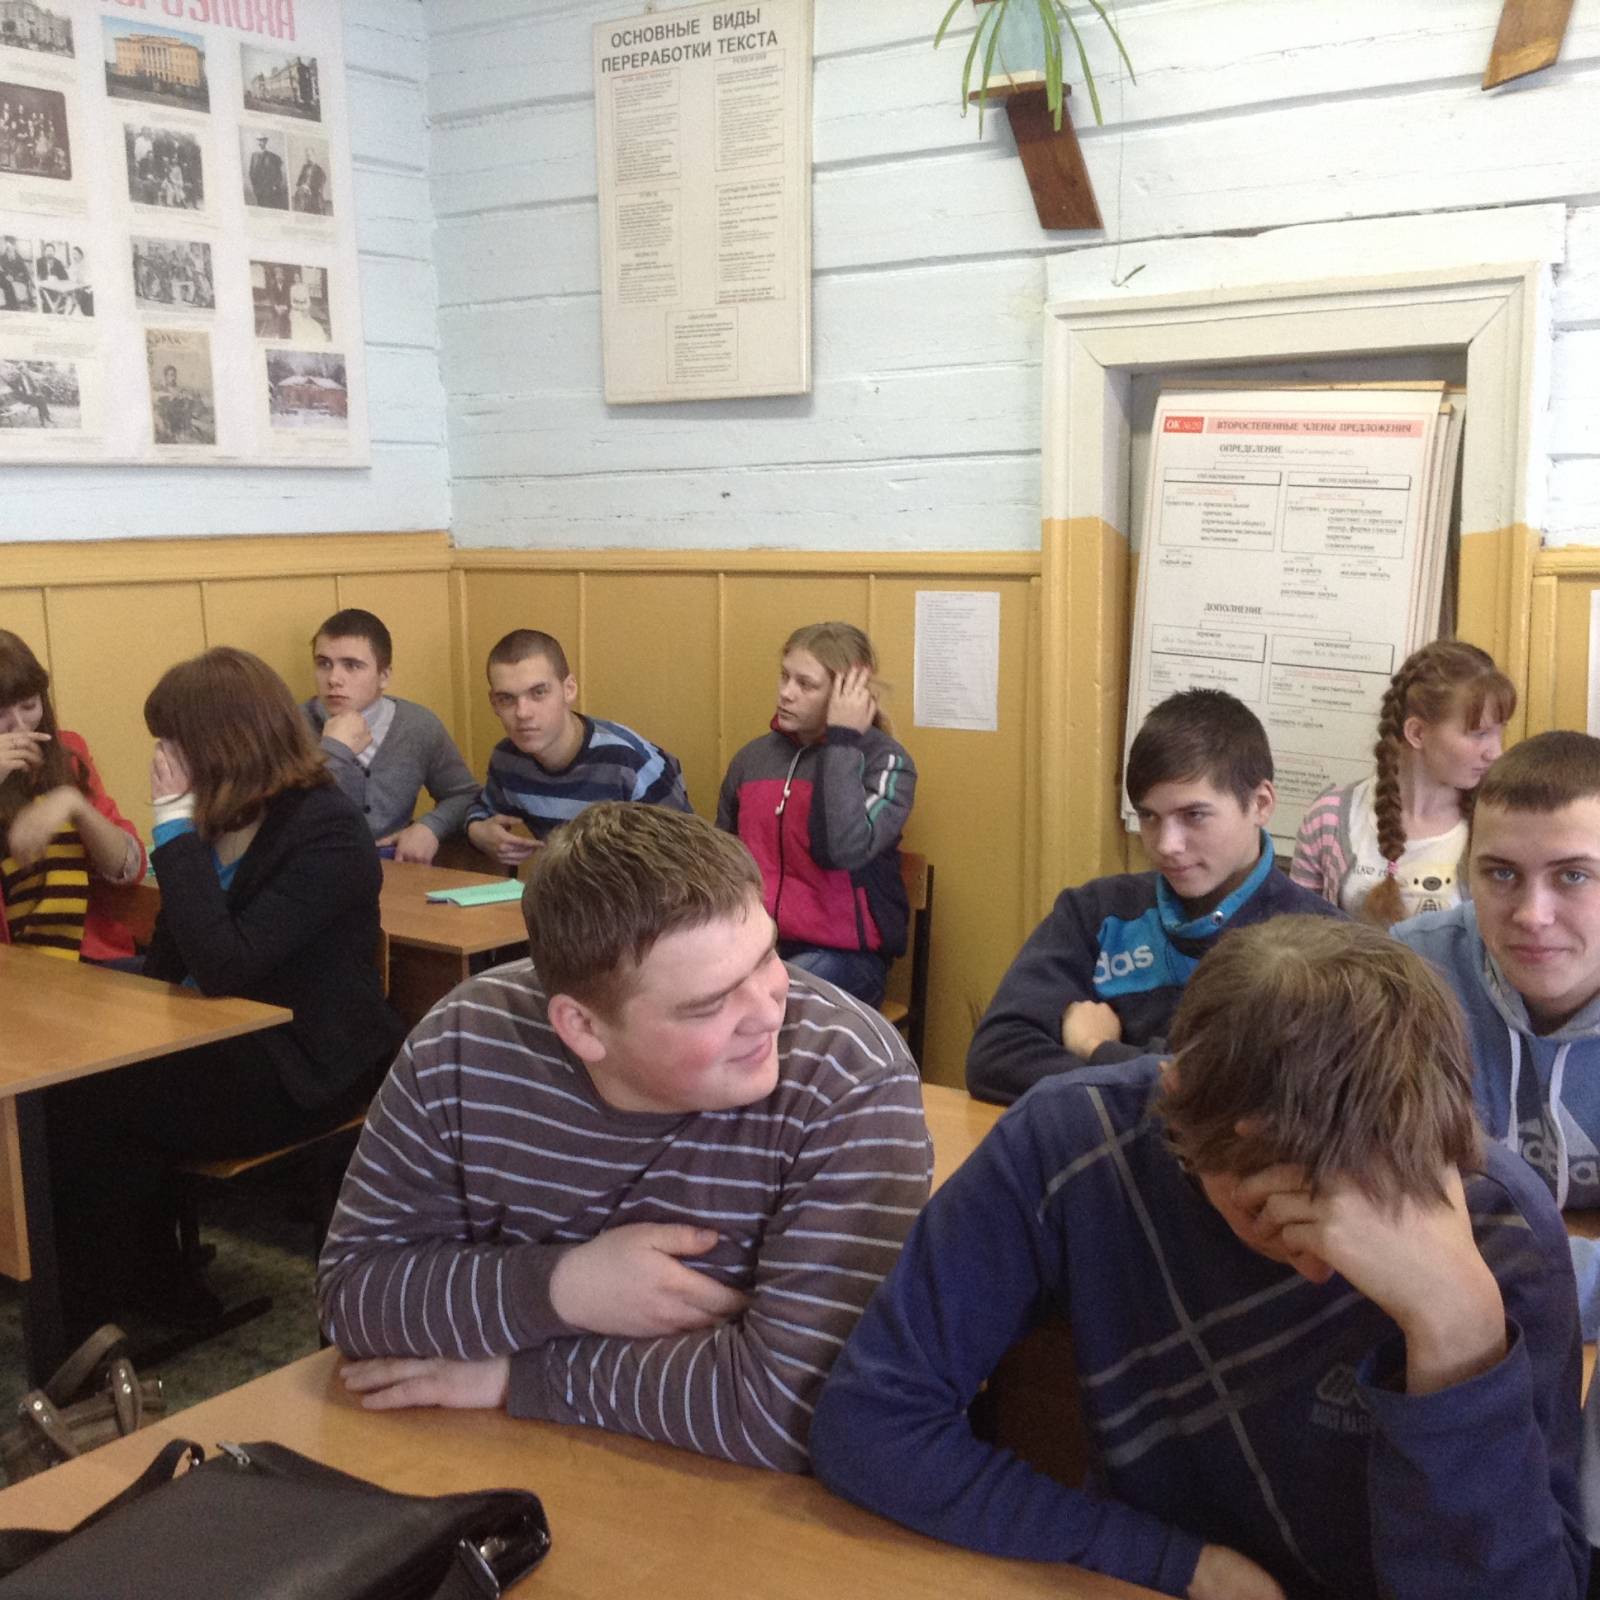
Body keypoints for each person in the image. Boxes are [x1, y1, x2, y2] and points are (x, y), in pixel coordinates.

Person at [810, 916, 1587, 1600]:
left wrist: (1456, 1330)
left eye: (1367, 1222)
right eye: (1270, 1213)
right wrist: (1172, 1563)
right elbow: (871, 1423)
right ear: (1178, 1102)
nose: (1321, 1268)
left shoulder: (1501, 1225)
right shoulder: (1073, 1141)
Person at [317, 802, 932, 1472]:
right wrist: (565, 1288)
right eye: (709, 1003)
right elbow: (353, 1295)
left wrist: (518, 1376)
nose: (767, 1012)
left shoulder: (849, 1077)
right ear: (582, 1027)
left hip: (717, 1498)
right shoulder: (461, 1044)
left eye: (767, 956)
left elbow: (792, 1408)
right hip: (493, 1467)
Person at [46, 648, 404, 1329]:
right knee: (72, 1082)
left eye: (172, 741)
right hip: (220, 1037)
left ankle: (98, 1318)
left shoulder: (325, 829)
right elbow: (173, 955)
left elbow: (224, 965)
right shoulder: (224, 815)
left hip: (304, 1062)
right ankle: (143, 1284)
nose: (163, 758)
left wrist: (172, 828)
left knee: (88, 1101)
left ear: (224, 742)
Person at [966, 687, 1339, 1105]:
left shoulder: (1329, 944)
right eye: (1149, 816)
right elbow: (996, 1059)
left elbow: (1283, 1103)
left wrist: (1098, 1050)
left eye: (1193, 815)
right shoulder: (1095, 913)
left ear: (1261, 803)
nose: (1166, 845)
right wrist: (1163, 1075)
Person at [1396, 731, 1600, 1337]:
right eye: (1502, 873)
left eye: (1573, 876)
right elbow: (1386, 1215)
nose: (1532, 915)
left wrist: (1468, 1270)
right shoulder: (1411, 978)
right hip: (1455, 1333)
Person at [716, 622, 915, 1007]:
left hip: (846, 956)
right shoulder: (752, 760)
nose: (786, 692)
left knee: (767, 999)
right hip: (757, 945)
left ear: (846, 694)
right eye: (784, 676)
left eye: (806, 684)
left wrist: (842, 742)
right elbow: (723, 859)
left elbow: (842, 849)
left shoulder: (887, 763)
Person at [1293, 640, 1514, 924]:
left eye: (1499, 732)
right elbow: (1299, 933)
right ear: (1417, 733)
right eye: (1479, 734)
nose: (1496, 752)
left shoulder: (1499, 824)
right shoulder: (1330, 816)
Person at [465, 628, 690, 867]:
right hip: (564, 885)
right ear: (494, 703)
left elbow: (687, 856)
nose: (522, 713)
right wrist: (477, 831)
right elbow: (482, 809)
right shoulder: (508, 759)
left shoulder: (629, 762)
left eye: (538, 693)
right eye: (506, 699)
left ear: (569, 689)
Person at [0, 630, 145, 964]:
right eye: (1, 713)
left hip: (91, 957)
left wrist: (74, 804)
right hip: (15, 968)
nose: (19, 725)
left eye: (29, 706)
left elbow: (129, 866)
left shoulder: (69, 753)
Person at [302, 607, 477, 864]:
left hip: (395, 867)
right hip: (314, 869)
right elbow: (286, 819)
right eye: (323, 664)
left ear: (384, 676)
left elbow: (464, 795)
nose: (333, 679)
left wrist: (430, 827)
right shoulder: (289, 727)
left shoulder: (417, 725)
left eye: (352, 666)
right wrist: (333, 750)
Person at [248, 133, 287, 209]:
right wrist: (255, 186)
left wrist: (275, 185)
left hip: (269, 190)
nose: (260, 143)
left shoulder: (272, 156)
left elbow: (278, 173)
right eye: (259, 140)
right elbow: (251, 171)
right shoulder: (254, 156)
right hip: (258, 189)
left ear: (266, 141)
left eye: (262, 140)